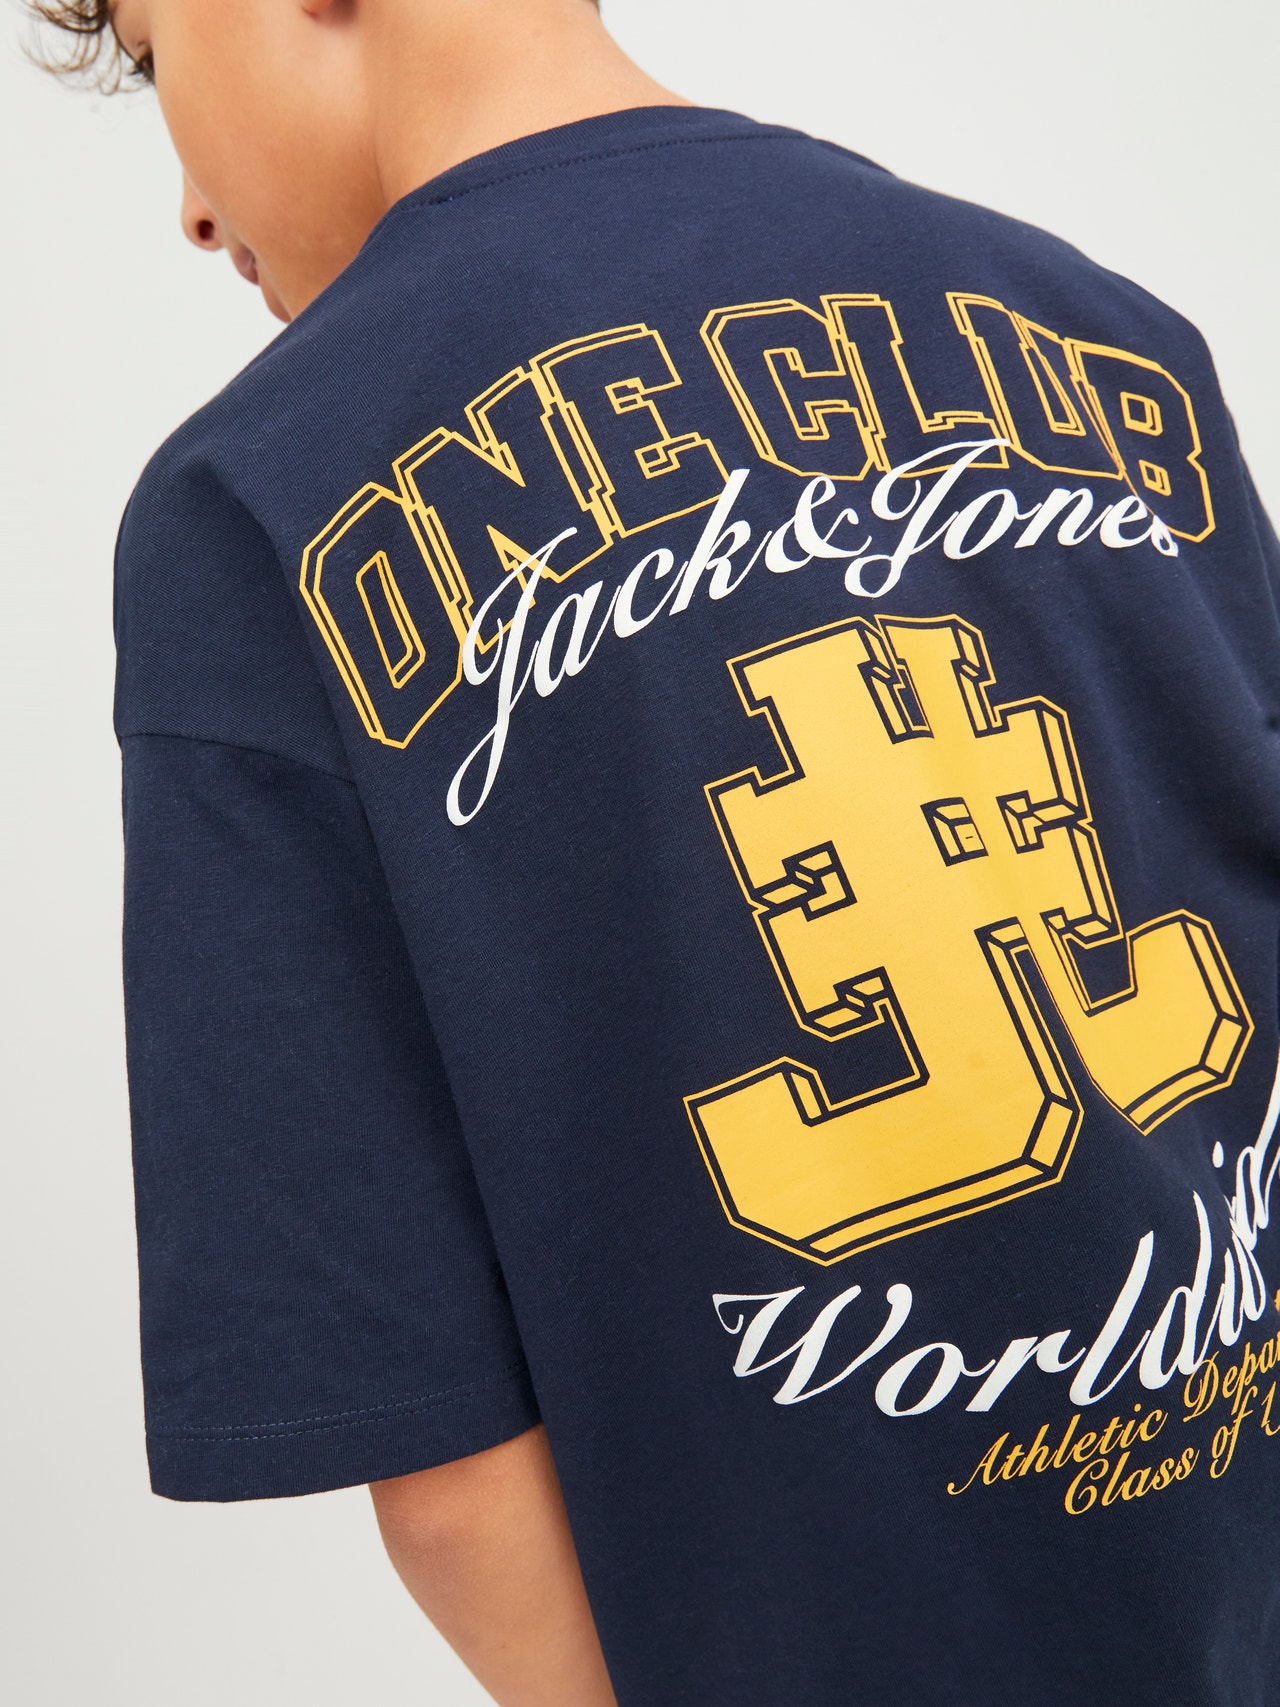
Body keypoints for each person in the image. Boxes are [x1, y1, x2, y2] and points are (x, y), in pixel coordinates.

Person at [32, 0, 1280, 1702]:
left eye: (150, 53)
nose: (186, 205)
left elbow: (444, 1471)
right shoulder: (1101, 334)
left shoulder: (258, 506)